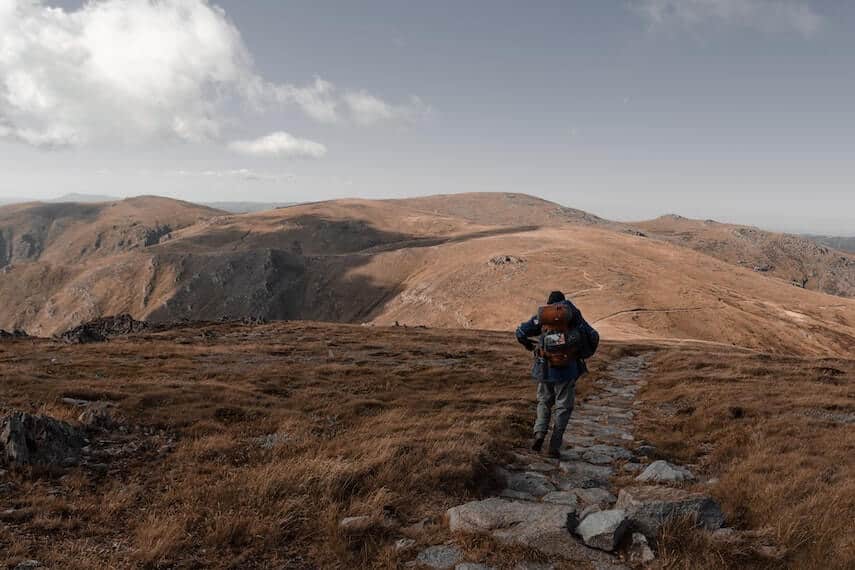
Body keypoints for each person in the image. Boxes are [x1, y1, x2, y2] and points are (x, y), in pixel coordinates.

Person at [515, 290, 588, 458]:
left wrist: (529, 345)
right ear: (564, 303)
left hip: (545, 367)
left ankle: (539, 433)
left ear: (549, 304)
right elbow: (589, 336)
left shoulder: (542, 317)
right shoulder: (573, 315)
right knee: (563, 407)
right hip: (568, 369)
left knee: (544, 401)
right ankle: (554, 445)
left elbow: (520, 332)